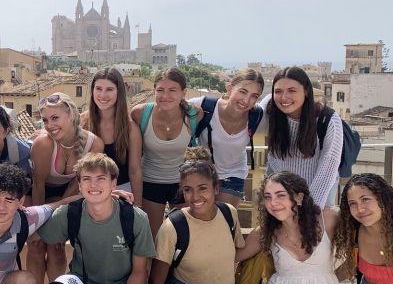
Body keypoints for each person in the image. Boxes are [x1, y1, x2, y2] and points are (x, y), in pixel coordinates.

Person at [150, 147, 279, 284]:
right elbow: (157, 281)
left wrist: (265, 230)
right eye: (187, 190)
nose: (195, 196)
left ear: (216, 188)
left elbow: (234, 254)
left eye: (202, 188)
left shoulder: (229, 213)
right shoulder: (174, 225)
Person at [39, 153, 168, 284]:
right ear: (79, 185)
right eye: (86, 179)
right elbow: (36, 238)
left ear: (113, 183)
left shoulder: (135, 218)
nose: (93, 185)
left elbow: (140, 271)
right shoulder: (69, 214)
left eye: (101, 178)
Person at [29, 93, 103, 283]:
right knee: (36, 244)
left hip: (67, 194)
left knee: (56, 245)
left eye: (55, 118)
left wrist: (59, 208)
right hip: (36, 193)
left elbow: (77, 183)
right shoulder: (43, 144)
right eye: (45, 120)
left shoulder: (93, 144)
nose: (50, 125)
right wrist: (39, 220)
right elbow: (38, 185)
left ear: (70, 115)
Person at [132, 68, 202, 242]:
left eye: (172, 90)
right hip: (150, 182)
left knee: (184, 237)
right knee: (153, 239)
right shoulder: (140, 114)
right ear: (154, 91)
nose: (165, 96)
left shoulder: (193, 115)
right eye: (160, 90)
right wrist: (137, 203)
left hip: (182, 183)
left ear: (183, 93)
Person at [263, 66, 342, 207]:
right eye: (278, 91)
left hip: (318, 199)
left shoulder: (327, 119)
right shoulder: (273, 115)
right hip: (282, 199)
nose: (284, 97)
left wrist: (309, 209)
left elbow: (328, 169)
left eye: (292, 91)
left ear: (306, 91)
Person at [190, 68, 265, 205]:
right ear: (230, 88)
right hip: (202, 174)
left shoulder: (257, 115)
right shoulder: (204, 106)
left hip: (234, 174)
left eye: (254, 96)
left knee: (225, 219)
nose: (247, 100)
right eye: (243, 92)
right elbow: (171, 109)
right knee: (202, 221)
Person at [81, 67, 143, 204]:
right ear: (92, 91)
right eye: (98, 89)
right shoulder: (81, 123)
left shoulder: (131, 128)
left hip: (123, 193)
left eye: (109, 89)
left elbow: (135, 171)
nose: (103, 95)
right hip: (89, 192)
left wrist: (138, 207)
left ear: (119, 92)